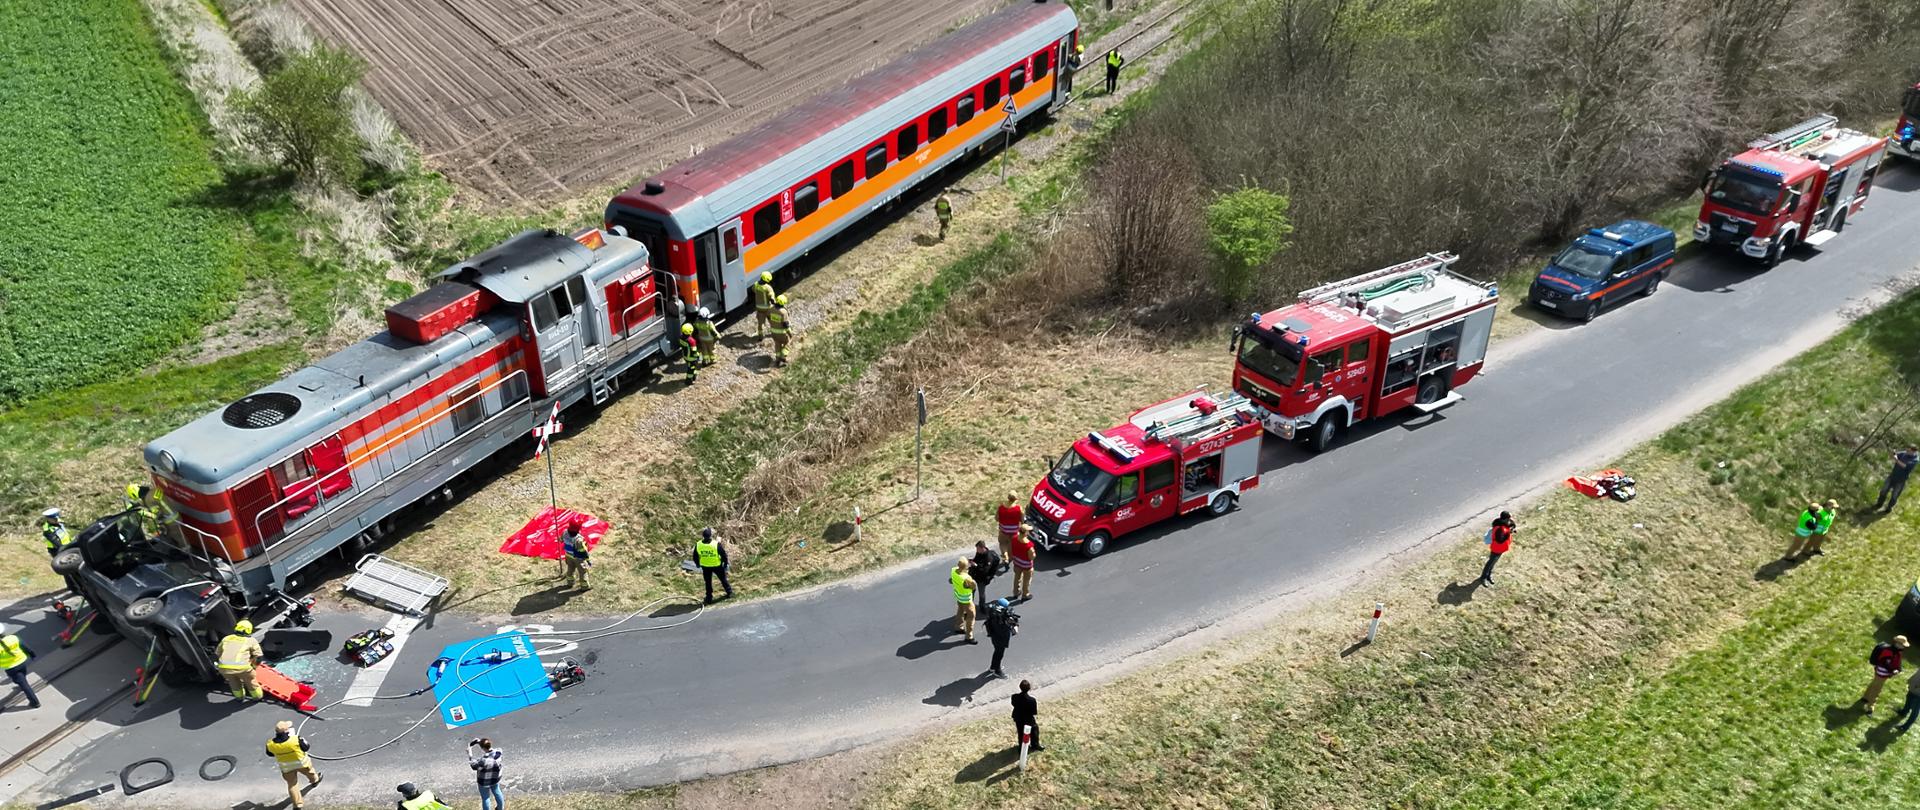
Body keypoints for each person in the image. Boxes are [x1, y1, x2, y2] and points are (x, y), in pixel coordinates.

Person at [265, 720, 323, 809]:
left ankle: (298, 805)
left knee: (292, 785)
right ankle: (315, 781)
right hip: (301, 763)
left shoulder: (270, 744)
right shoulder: (295, 739)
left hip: (286, 768)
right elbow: (306, 747)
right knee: (310, 772)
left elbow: (270, 754)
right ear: (286, 731)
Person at [217, 619, 265, 700]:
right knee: (251, 683)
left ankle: (239, 697)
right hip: (243, 669)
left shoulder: (226, 638)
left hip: (224, 668)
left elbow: (218, 652)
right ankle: (257, 697)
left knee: (234, 683)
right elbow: (259, 656)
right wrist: (253, 666)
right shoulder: (251, 640)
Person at [1864, 635, 1910, 714]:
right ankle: (1870, 707)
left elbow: (1897, 662)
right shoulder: (1889, 652)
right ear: (1897, 644)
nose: (1904, 647)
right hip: (1882, 673)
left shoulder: (1896, 651)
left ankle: (1866, 697)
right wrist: (1893, 670)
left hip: (1881, 672)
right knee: (1877, 689)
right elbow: (1885, 663)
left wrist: (1898, 669)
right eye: (1903, 645)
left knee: (1874, 683)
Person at [1, 624, 40, 710]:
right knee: (22, 677)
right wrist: (32, 655)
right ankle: (20, 683)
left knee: (24, 685)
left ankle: (35, 702)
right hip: (22, 663)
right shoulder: (13, 638)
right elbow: (26, 647)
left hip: (11, 668)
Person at [695, 527, 733, 604]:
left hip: (705, 567)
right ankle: (729, 592)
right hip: (717, 566)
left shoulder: (698, 545)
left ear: (703, 536)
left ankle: (709, 598)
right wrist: (725, 563)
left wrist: (697, 564)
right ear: (710, 536)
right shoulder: (715, 544)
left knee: (708, 582)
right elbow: (723, 554)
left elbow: (695, 556)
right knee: (723, 579)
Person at [1477, 511, 1515, 587]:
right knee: (1490, 562)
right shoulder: (1499, 528)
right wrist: (1509, 532)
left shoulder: (1506, 524)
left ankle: (1488, 575)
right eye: (1509, 518)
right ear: (1505, 519)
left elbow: (1513, 525)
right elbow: (1500, 539)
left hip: (1502, 548)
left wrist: (1511, 529)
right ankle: (1483, 577)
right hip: (1496, 548)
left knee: (1493, 562)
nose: (1510, 519)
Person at [1875, 445, 1918, 512]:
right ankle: (1879, 504)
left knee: (1894, 496)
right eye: (1907, 450)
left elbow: (1904, 466)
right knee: (1884, 490)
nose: (1907, 452)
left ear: (1914, 451)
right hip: (1892, 476)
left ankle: (1889, 508)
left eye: (1909, 451)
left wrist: (1896, 460)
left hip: (1901, 480)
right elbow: (1893, 456)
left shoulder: (1915, 460)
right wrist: (1893, 453)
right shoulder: (1904, 453)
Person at [984, 597, 1020, 677]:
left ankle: (993, 667)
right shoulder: (1002, 618)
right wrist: (1013, 623)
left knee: (996, 652)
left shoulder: (993, 614)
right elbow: (1010, 626)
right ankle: (997, 670)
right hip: (1001, 639)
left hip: (994, 636)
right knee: (999, 654)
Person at [469, 738, 505, 810]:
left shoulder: (483, 760)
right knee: (497, 792)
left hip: (484, 781)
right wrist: (480, 742)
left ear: (482, 748)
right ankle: (500, 808)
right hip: (495, 778)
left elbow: (473, 766)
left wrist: (470, 754)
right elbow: (490, 749)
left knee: (485, 798)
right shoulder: (499, 752)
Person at [950, 558, 978, 643]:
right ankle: (969, 636)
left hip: (958, 596)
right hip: (967, 599)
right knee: (971, 616)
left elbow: (951, 580)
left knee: (960, 610)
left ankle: (958, 627)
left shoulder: (953, 571)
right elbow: (973, 586)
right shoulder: (966, 577)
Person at [1011, 679, 1043, 752]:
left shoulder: (1014, 697)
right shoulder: (1032, 700)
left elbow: (1013, 704)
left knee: (1020, 732)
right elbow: (1034, 712)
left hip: (1018, 717)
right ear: (1029, 688)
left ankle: (1021, 747)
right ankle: (1035, 745)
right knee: (1034, 730)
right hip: (1028, 719)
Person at [559, 517, 590, 591]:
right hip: (578, 558)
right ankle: (584, 586)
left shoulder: (564, 532)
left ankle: (570, 582)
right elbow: (582, 551)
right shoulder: (578, 540)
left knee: (570, 569)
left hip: (568, 556)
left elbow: (560, 540)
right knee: (583, 571)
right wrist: (586, 559)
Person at [1008, 523, 1036, 601]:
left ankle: (1016, 592)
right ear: (1026, 532)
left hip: (1017, 563)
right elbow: (1032, 557)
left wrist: (1011, 557)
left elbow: (1010, 549)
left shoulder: (1014, 538)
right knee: (1026, 580)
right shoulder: (1029, 545)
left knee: (1017, 577)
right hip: (1026, 566)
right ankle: (1025, 594)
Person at [969, 541, 1001, 608]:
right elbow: (976, 559)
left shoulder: (988, 558)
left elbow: (985, 571)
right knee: (971, 591)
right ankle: (970, 606)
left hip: (982, 579)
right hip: (975, 576)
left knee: (981, 593)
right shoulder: (979, 553)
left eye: (978, 549)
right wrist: (972, 561)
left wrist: (976, 565)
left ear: (982, 548)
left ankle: (982, 606)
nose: (977, 550)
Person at [995, 492, 1022, 563]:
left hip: (1003, 530)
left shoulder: (1001, 507)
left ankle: (1005, 555)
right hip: (1014, 532)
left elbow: (996, 518)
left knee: (1002, 543)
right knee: (1011, 545)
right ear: (1015, 499)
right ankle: (1010, 557)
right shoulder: (1019, 508)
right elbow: (1022, 520)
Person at [751, 272, 777, 339]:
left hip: (759, 307)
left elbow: (753, 289)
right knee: (773, 321)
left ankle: (760, 336)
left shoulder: (756, 285)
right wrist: (775, 303)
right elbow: (772, 297)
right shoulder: (768, 287)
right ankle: (775, 332)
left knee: (761, 323)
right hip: (767, 308)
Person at [769, 295, 792, 367]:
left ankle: (777, 359)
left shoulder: (771, 309)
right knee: (788, 342)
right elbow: (785, 325)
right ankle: (783, 356)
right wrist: (790, 333)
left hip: (773, 332)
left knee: (777, 344)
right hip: (781, 333)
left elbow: (769, 317)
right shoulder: (783, 312)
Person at [1897, 666, 1920, 733]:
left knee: (1915, 710)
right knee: (1909, 699)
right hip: (1913, 688)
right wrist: (1911, 680)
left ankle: (1905, 726)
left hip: (1918, 693)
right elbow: (1917, 673)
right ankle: (1904, 712)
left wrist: (1917, 686)